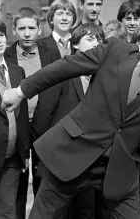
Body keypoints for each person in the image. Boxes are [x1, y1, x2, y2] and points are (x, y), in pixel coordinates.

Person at [1, 15, 140, 219]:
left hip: (120, 169)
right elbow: (64, 68)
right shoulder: (115, 50)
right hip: (73, 153)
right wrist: (21, 92)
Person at [33, 23, 105, 219]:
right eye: (90, 39)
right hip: (59, 161)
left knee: (85, 213)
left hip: (89, 165)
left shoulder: (103, 78)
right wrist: (42, 160)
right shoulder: (62, 72)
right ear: (75, 45)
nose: (96, 44)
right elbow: (43, 117)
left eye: (100, 40)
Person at [4, 7, 58, 218]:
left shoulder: (50, 54)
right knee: (17, 180)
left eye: (31, 28)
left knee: (43, 180)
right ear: (14, 30)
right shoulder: (7, 56)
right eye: (22, 28)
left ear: (38, 29)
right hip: (17, 126)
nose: (27, 33)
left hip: (44, 125)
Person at [0, 14, 29, 219]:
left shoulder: (16, 71)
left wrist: (25, 152)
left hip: (12, 154)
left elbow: (21, 116)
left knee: (9, 213)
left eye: (1, 35)